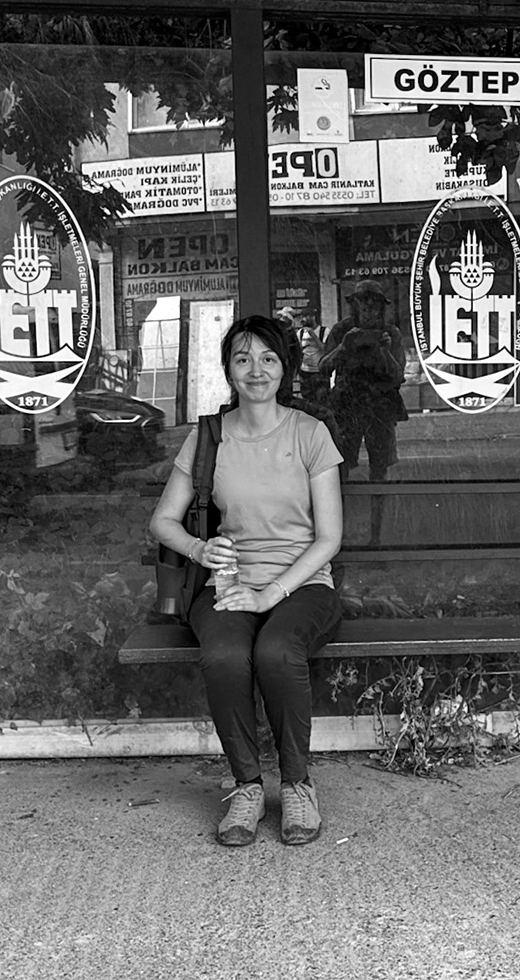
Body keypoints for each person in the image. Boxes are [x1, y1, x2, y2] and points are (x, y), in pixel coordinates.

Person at [147, 315, 344, 847]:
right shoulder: (209, 436)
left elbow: (328, 538)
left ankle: (298, 784)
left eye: (268, 358)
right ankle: (247, 787)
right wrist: (198, 548)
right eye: (243, 359)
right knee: (226, 656)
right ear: (229, 371)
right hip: (227, 585)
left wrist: (269, 594)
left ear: (286, 368)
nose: (256, 370)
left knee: (278, 651)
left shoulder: (310, 435)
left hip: (302, 585)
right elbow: (163, 520)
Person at [319, 279, 406, 480]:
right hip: (347, 404)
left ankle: (378, 510)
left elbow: (398, 376)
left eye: (373, 303)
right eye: (363, 302)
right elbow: (323, 368)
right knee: (341, 465)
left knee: (380, 467)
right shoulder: (341, 330)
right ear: (355, 306)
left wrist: (385, 352)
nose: (368, 308)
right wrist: (343, 347)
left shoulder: (390, 332)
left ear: (380, 307)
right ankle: (340, 509)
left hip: (381, 405)